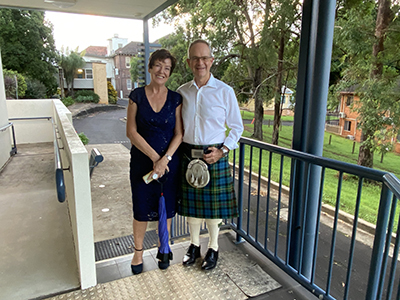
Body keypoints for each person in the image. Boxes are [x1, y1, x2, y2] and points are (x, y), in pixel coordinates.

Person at [177, 40, 244, 270]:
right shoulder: (182, 92)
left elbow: (237, 127)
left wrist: (223, 151)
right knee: (192, 209)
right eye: (195, 58)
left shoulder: (225, 91)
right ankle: (194, 246)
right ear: (189, 62)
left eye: (205, 58)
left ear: (212, 61)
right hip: (187, 155)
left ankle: (213, 248)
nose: (200, 62)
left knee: (213, 209)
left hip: (213, 155)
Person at [126, 49, 183, 275]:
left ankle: (164, 248)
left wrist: (165, 159)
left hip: (169, 165)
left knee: (166, 209)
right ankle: (138, 252)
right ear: (150, 68)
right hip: (143, 164)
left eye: (167, 68)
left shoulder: (176, 99)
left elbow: (179, 133)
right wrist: (155, 159)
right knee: (140, 209)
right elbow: (131, 132)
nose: (162, 71)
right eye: (158, 65)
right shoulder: (136, 96)